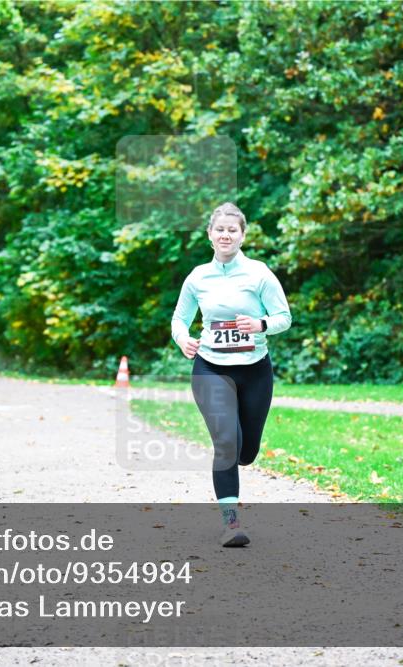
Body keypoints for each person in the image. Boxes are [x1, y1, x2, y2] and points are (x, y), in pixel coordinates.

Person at [170, 203, 291, 548]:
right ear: (210, 235)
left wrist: (261, 324)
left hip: (255, 371)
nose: (225, 235)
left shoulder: (259, 274)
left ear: (242, 235)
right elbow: (179, 319)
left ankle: (240, 456)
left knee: (246, 451)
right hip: (210, 369)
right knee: (226, 442)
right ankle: (231, 522)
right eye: (219, 229)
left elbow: (284, 317)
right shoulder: (197, 277)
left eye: (232, 230)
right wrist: (183, 339)